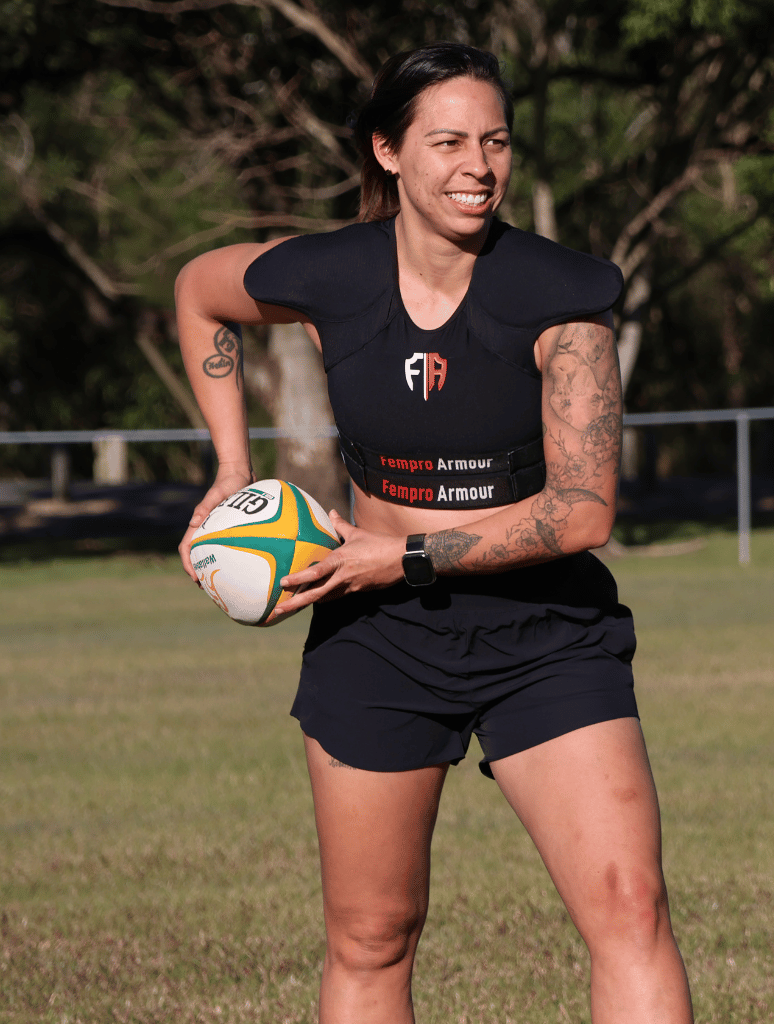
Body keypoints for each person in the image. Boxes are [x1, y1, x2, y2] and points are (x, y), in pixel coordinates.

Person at [175, 42, 693, 1024]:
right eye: (448, 140)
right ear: (387, 152)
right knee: (371, 936)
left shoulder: (561, 291)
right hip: (378, 639)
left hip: (545, 634)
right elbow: (200, 289)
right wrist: (231, 472)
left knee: (630, 907)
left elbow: (582, 509)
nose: (478, 165)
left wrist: (400, 554)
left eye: (495, 140)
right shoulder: (330, 274)